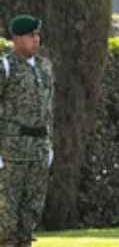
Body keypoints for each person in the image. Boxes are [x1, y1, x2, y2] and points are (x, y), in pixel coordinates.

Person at [0, 15, 54, 247]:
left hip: (39, 149)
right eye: (31, 35)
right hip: (13, 150)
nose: (36, 39)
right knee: (7, 215)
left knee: (31, 211)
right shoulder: (5, 66)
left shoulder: (44, 66)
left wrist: (49, 144)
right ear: (16, 39)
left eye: (37, 35)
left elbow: (49, 106)